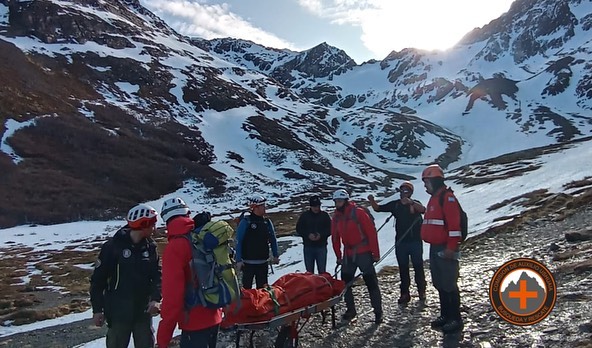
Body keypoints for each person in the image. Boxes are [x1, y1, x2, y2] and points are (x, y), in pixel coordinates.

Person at [90, 203, 161, 348]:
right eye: (152, 224)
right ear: (143, 224)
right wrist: (97, 310)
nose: (155, 229)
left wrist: (155, 299)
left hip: (143, 312)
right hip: (118, 313)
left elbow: (157, 276)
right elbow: (98, 281)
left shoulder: (151, 247)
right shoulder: (112, 247)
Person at [156, 197, 222, 348]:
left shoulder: (175, 248)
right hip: (215, 313)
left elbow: (172, 298)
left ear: (166, 220)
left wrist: (163, 340)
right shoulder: (201, 236)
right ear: (187, 214)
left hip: (194, 321)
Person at [420, 164, 464, 333]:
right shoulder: (435, 197)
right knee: (439, 283)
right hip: (435, 248)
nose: (425, 186)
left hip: (446, 248)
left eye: (427, 182)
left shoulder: (447, 198)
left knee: (449, 283)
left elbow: (454, 226)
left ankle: (455, 318)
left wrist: (451, 248)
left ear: (435, 181)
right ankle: (445, 315)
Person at [368, 181, 427, 304]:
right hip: (402, 243)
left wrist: (411, 203)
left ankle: (421, 290)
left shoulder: (415, 204)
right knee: (403, 268)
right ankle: (405, 293)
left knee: (418, 267)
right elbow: (378, 208)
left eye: (406, 191)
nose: (403, 193)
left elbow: (423, 210)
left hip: (415, 241)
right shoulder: (396, 205)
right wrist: (372, 200)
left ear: (410, 193)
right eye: (402, 191)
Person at [331, 189, 383, 324]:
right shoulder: (336, 217)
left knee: (371, 282)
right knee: (345, 283)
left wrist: (375, 253)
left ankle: (378, 311)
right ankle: (351, 309)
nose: (338, 204)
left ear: (346, 201)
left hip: (363, 252)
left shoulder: (358, 213)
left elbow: (371, 233)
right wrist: (338, 255)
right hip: (348, 254)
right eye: (336, 201)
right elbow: (335, 238)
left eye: (340, 201)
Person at [235, 195, 280, 289]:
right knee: (247, 291)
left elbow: (273, 239)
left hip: (263, 263)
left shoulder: (267, 222)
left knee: (262, 292)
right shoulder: (246, 222)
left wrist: (276, 255)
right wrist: (238, 260)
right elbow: (239, 241)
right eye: (262, 205)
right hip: (247, 264)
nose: (265, 207)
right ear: (255, 207)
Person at [296, 195, 332, 273]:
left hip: (321, 247)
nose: (316, 208)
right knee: (309, 272)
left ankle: (322, 284)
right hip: (308, 247)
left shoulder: (324, 216)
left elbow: (330, 229)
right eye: (314, 206)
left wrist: (321, 235)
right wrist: (308, 235)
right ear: (310, 206)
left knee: (322, 271)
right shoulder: (305, 216)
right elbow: (299, 229)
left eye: (318, 206)